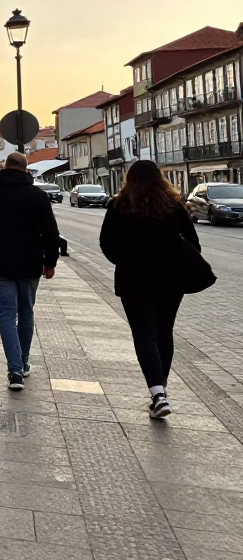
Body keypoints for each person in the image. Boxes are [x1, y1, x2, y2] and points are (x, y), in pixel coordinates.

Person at [99, 160, 203, 418]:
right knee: (164, 332)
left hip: (134, 279)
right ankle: (162, 391)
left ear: (129, 179)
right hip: (171, 279)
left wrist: (124, 260)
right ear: (160, 178)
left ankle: (158, 394)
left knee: (144, 335)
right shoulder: (174, 206)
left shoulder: (119, 205)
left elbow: (106, 243)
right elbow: (193, 244)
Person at [0, 152, 59, 391]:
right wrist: (50, 261)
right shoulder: (38, 196)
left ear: (5, 167)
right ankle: (24, 361)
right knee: (26, 313)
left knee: (7, 315)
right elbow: (51, 232)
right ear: (26, 169)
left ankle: (15, 369)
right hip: (30, 264)